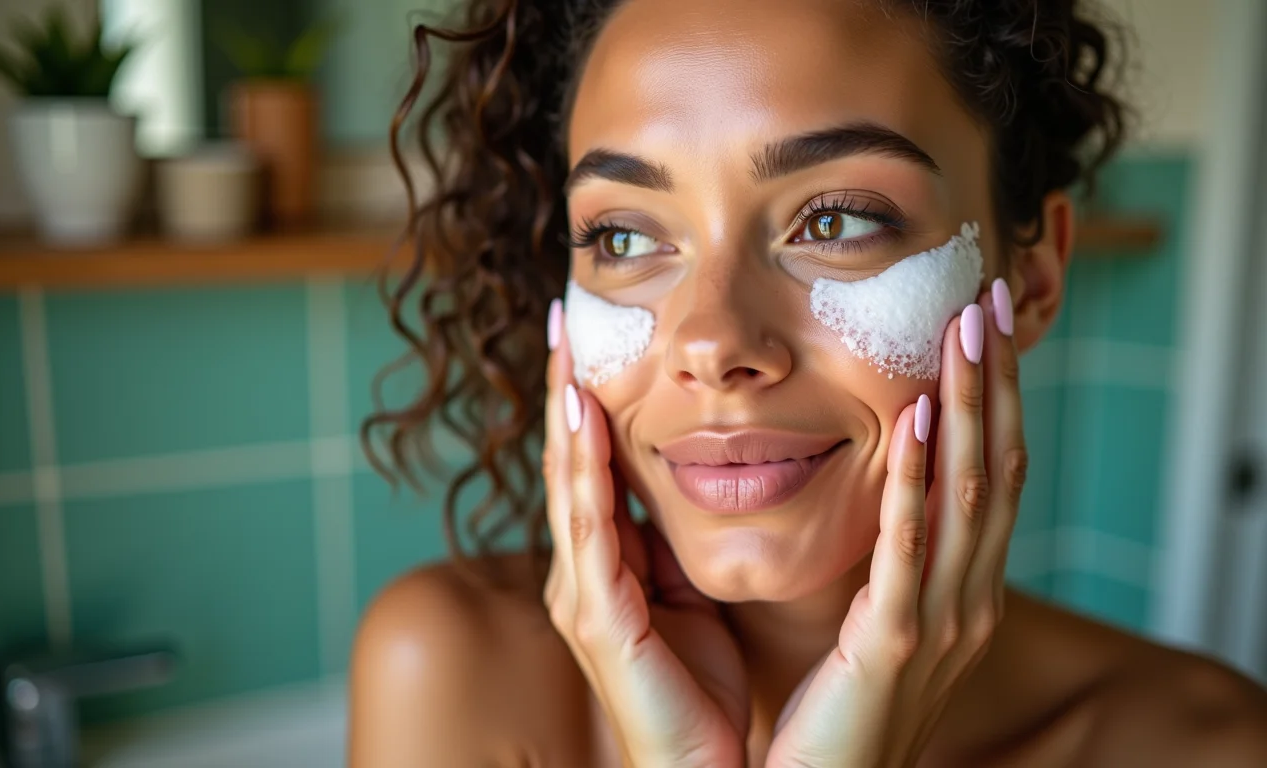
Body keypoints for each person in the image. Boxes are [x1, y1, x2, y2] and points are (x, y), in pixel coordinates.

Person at [348, 0, 1267, 765]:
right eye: (624, 238)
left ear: (1030, 281)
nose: (711, 343)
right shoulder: (449, 675)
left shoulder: (1206, 744)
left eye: (834, 221)